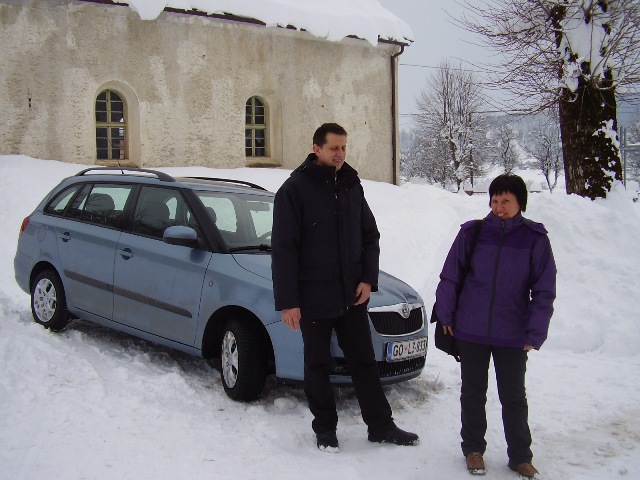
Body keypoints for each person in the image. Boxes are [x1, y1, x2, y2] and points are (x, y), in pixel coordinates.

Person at [271, 122, 419, 453]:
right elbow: (284, 250)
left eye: (344, 148)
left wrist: (368, 279)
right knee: (318, 365)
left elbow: (370, 235)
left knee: (364, 362)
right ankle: (325, 430)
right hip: (313, 296)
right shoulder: (294, 190)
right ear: (316, 149)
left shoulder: (351, 184)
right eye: (334, 148)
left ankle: (380, 426)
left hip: (352, 295)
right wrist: (289, 302)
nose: (340, 154)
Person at [435, 174, 556, 478]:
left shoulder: (535, 239)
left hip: (512, 332)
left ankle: (520, 456)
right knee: (473, 392)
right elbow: (450, 275)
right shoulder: (472, 233)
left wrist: (535, 331)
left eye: (506, 201)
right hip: (471, 327)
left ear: (520, 203)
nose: (499, 206)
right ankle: (474, 449)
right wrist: (447, 315)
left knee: (513, 395)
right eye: (495, 200)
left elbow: (544, 290)